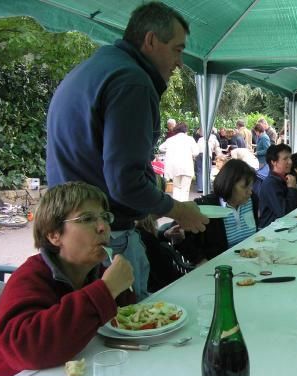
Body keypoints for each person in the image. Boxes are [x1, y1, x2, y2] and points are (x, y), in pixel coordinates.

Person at [45, 2, 208, 300]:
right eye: (177, 49)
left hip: (71, 234)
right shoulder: (132, 81)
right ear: (150, 41)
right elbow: (126, 181)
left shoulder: (91, 69)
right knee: (134, 331)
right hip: (106, 236)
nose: (179, 62)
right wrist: (178, 210)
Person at [0, 182, 136, 376]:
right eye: (87, 219)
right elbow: (25, 348)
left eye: (105, 217)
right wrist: (105, 290)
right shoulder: (31, 277)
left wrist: (121, 290)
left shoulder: (97, 272)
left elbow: (125, 324)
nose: (103, 227)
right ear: (54, 235)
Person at [177, 159, 259, 263]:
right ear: (228, 185)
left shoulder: (252, 200)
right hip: (221, 266)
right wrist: (200, 260)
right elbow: (182, 239)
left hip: (252, 260)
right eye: (244, 187)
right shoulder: (205, 206)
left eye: (251, 186)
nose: (250, 192)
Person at [258, 144, 297, 228]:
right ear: (274, 162)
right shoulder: (270, 183)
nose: (290, 162)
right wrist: (292, 189)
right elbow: (284, 212)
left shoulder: (285, 178)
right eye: (285, 159)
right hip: (270, 231)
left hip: (283, 226)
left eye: (290, 158)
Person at [160, 122, 197, 202]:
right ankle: (183, 208)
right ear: (185, 130)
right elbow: (196, 152)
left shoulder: (170, 140)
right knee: (185, 189)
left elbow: (161, 148)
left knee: (176, 188)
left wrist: (169, 150)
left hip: (175, 167)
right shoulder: (190, 139)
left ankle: (176, 207)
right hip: (187, 167)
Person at [195, 126, 220, 194]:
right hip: (207, 154)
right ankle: (207, 187)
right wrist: (219, 155)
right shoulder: (213, 138)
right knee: (207, 171)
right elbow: (217, 147)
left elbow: (197, 147)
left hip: (199, 154)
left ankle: (200, 188)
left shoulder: (200, 139)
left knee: (199, 171)